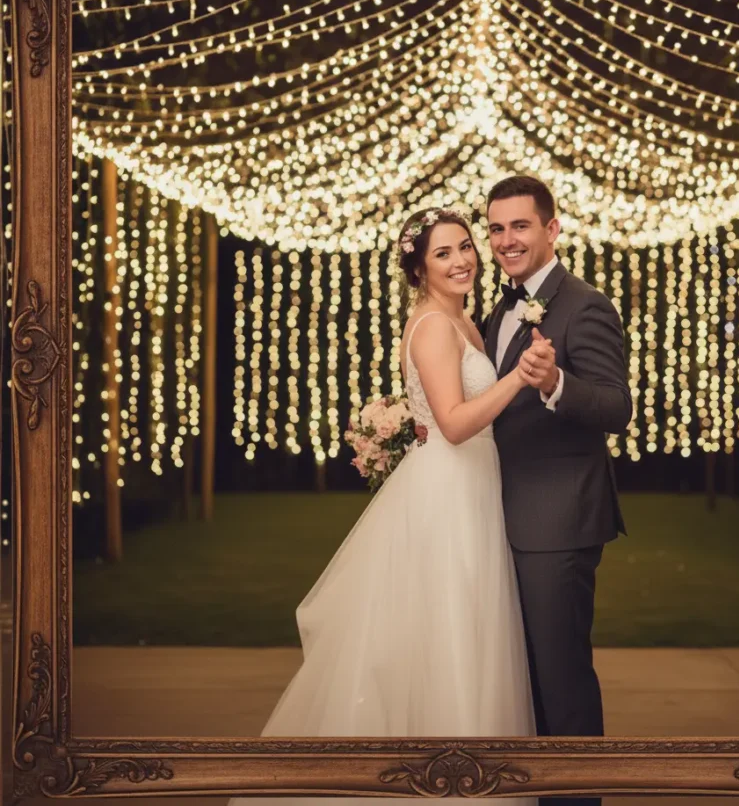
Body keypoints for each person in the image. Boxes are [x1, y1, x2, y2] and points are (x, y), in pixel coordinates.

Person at [230, 207, 552, 806]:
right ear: (419, 267)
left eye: (464, 247)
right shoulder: (433, 325)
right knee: (446, 630)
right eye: (442, 254)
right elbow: (454, 425)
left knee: (472, 631)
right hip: (446, 499)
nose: (461, 261)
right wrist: (519, 379)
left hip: (475, 490)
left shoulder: (467, 324)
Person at [482, 175, 633, 806]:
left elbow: (617, 405)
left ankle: (576, 799)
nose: (506, 240)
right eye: (496, 228)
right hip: (501, 520)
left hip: (557, 523)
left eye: (520, 226)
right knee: (525, 681)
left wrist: (556, 384)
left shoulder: (583, 304)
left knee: (562, 680)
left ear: (552, 229)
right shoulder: (498, 308)